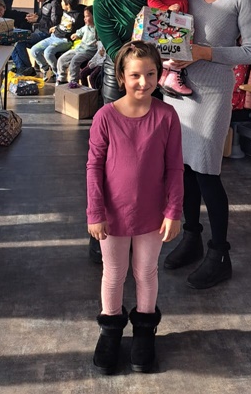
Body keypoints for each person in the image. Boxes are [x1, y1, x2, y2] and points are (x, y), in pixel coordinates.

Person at [163, 0, 251, 289]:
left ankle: (220, 254)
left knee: (206, 171)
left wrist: (204, 52)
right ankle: (191, 236)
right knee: (183, 169)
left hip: (213, 92)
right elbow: (165, 19)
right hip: (177, 87)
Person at [86, 41, 183, 375]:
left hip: (152, 214)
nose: (144, 82)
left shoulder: (167, 116)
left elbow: (175, 168)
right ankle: (110, 331)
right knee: (114, 273)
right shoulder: (105, 117)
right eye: (136, 75)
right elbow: (94, 167)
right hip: (113, 214)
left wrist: (173, 211)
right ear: (122, 77)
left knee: (146, 271)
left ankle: (144, 331)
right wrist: (95, 212)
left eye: (151, 74)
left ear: (159, 74)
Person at [148, 0, 192, 97]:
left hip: (178, 20)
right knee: (174, 49)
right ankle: (169, 75)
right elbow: (151, 1)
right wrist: (167, 9)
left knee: (180, 48)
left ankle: (168, 75)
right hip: (166, 20)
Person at [11, 0, 63, 76]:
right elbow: (43, 16)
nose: (38, 1)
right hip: (39, 31)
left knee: (19, 40)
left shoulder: (55, 3)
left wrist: (38, 19)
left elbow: (54, 24)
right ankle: (22, 68)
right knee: (15, 38)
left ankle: (26, 69)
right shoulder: (47, 0)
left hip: (46, 34)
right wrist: (35, 16)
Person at [31, 0, 84, 80]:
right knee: (34, 50)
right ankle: (46, 70)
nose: (61, 3)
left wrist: (77, 34)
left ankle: (58, 75)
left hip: (65, 40)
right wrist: (56, 27)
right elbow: (64, 24)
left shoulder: (79, 15)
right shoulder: (65, 11)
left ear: (67, 4)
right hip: (54, 36)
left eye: (62, 1)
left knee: (48, 52)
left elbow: (83, 27)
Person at [56, 5, 98, 86]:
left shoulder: (98, 29)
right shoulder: (86, 27)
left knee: (74, 61)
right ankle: (62, 79)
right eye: (84, 16)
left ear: (95, 16)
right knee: (62, 59)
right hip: (79, 49)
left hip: (89, 52)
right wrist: (76, 35)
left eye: (87, 16)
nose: (84, 19)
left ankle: (74, 82)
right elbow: (80, 32)